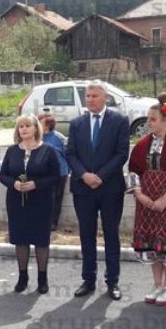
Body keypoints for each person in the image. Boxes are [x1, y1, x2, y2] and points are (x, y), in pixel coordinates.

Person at [66, 81, 130, 301]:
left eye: (94, 96)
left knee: (111, 234)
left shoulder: (120, 121)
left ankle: (112, 281)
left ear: (105, 98)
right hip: (83, 189)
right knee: (86, 235)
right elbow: (71, 154)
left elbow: (122, 154)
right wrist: (85, 175)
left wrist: (100, 176)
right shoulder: (76, 124)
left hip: (110, 188)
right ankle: (88, 279)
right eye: (87, 96)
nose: (90, 99)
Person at [127, 95, 166, 306]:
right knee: (152, 243)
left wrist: (165, 198)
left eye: (153, 119)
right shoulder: (143, 144)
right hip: (147, 202)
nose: (148, 123)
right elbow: (134, 170)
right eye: (148, 119)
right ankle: (156, 284)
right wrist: (139, 194)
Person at [0, 114, 60, 294]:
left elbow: (56, 176)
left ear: (36, 128)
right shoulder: (12, 151)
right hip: (17, 202)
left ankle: (42, 278)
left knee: (41, 240)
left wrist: (37, 184)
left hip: (41, 202)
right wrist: (14, 184)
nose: (23, 129)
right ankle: (22, 277)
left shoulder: (48, 150)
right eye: (20, 127)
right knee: (20, 239)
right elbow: (3, 175)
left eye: (27, 126)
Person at [37, 112, 69, 231]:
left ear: (48, 125)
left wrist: (68, 170)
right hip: (42, 174)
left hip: (59, 173)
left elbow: (67, 155)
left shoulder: (58, 138)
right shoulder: (36, 137)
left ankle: (53, 223)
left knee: (56, 198)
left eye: (40, 124)